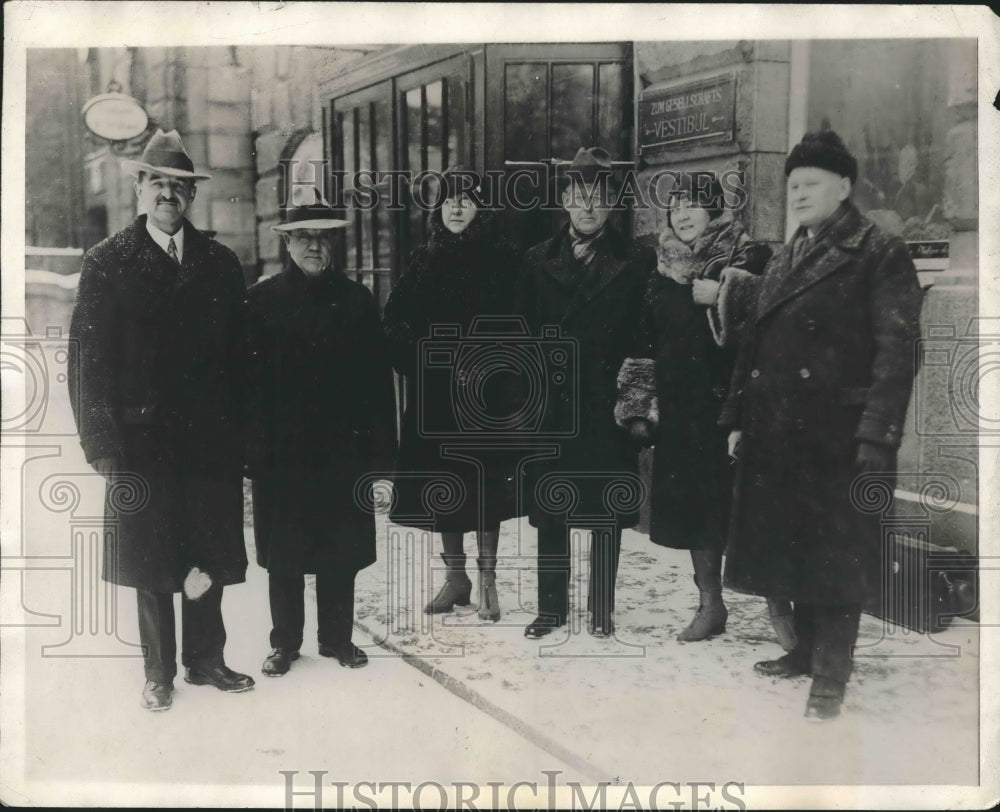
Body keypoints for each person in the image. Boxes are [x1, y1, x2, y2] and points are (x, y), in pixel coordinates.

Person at [719, 130, 923, 720]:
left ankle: (830, 679)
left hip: (840, 436)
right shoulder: (788, 252)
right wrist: (736, 416)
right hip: (779, 430)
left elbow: (898, 352)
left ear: (844, 186)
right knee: (793, 547)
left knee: (838, 557)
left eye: (811, 183)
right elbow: (752, 344)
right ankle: (805, 652)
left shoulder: (879, 251)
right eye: (793, 185)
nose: (800, 193)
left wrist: (876, 434)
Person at [68, 129, 254, 712]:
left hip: (209, 442)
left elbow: (245, 361)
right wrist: (101, 442)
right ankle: (158, 673)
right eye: (158, 184)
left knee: (207, 551)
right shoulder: (106, 263)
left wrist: (245, 441)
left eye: (179, 187)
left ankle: (207, 660)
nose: (169, 195)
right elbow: (86, 363)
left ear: (192, 197)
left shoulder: (221, 264)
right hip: (139, 441)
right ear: (139, 190)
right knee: (151, 557)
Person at [614, 172, 772, 642]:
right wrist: (639, 406)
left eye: (694, 205)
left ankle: (779, 608)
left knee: (750, 511)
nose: (683, 214)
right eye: (676, 205)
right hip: (683, 415)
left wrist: (725, 295)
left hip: (736, 413)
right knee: (697, 515)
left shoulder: (749, 258)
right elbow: (643, 341)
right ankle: (711, 604)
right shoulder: (660, 272)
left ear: (716, 212)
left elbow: (776, 324)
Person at [246, 199, 396, 676]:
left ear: (333, 243)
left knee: (340, 551)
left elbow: (377, 388)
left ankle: (337, 640)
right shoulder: (261, 300)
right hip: (282, 454)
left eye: (323, 236)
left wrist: (380, 462)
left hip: (341, 452)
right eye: (303, 236)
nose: (314, 245)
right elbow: (245, 386)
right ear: (286, 241)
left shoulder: (357, 301)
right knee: (284, 555)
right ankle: (284, 643)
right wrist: (252, 452)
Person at [517, 147, 655, 639]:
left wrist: (635, 404)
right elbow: (524, 333)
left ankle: (601, 607)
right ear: (565, 201)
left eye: (599, 196)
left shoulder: (637, 260)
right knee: (551, 507)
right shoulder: (536, 260)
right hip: (554, 404)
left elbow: (645, 335)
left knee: (605, 509)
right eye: (578, 195)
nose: (588, 206)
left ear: (614, 202)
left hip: (605, 401)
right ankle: (551, 608)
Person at [382, 167, 521, 622]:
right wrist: (420, 355)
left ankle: (487, 581)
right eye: (447, 200)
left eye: (465, 199)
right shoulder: (425, 257)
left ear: (480, 206)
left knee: (484, 489)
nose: (456, 207)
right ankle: (456, 577)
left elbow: (522, 325)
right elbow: (396, 320)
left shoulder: (504, 259)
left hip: (486, 397)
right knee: (442, 486)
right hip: (436, 394)